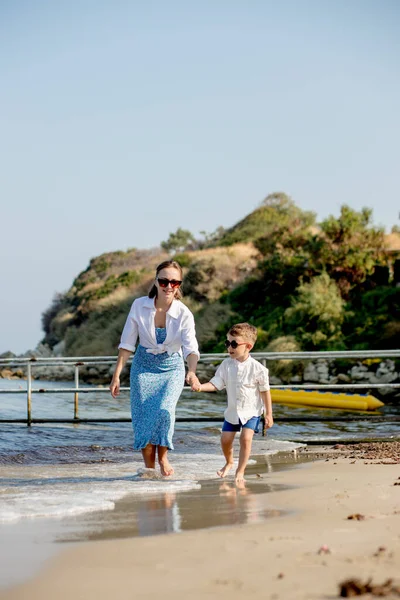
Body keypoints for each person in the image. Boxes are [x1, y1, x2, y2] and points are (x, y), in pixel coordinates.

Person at [110, 260, 200, 477]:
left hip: (172, 368)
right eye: (164, 281)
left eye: (175, 282)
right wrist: (116, 376)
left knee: (165, 411)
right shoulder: (139, 305)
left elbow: (191, 347)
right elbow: (127, 343)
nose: (169, 286)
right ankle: (148, 468)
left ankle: (163, 457)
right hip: (143, 367)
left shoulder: (184, 313)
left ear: (179, 285)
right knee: (143, 419)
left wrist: (192, 371)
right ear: (156, 281)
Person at [191, 322, 273, 483]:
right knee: (225, 440)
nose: (230, 347)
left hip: (251, 412)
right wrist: (200, 387)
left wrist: (269, 414)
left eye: (234, 344)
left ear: (248, 346)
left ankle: (240, 472)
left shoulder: (258, 369)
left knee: (246, 438)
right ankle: (229, 462)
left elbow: (265, 392)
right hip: (232, 412)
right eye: (227, 343)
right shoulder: (226, 365)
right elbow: (216, 383)